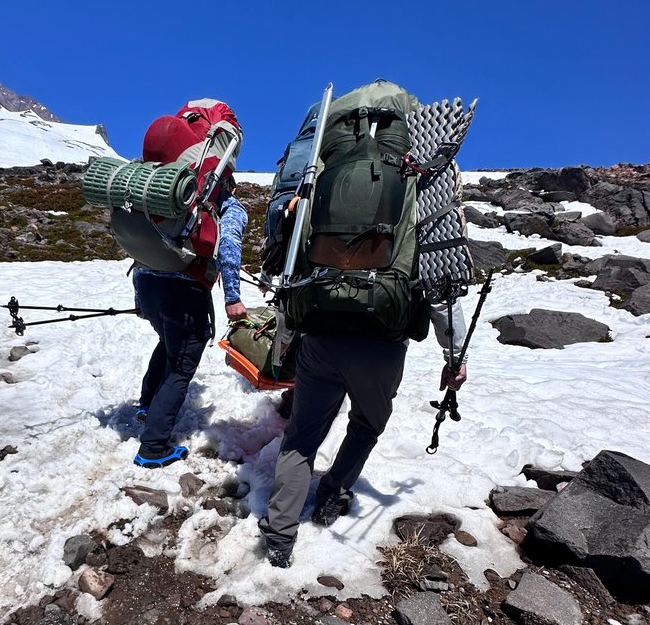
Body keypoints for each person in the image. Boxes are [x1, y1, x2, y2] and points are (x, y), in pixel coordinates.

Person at [258, 303, 467, 564]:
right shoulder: (416, 267)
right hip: (383, 350)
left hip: (321, 342)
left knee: (302, 437)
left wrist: (283, 341)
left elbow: (290, 291)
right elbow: (443, 299)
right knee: (366, 426)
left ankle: (279, 535)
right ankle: (332, 496)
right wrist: (456, 358)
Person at [133, 181, 248, 468]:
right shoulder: (226, 204)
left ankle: (148, 405)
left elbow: (140, 247)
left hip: (147, 282)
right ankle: (153, 447)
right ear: (229, 184)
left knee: (168, 343)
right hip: (184, 289)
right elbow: (229, 248)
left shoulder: (170, 196)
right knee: (181, 367)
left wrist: (139, 297)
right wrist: (232, 298)